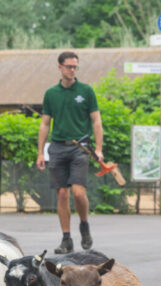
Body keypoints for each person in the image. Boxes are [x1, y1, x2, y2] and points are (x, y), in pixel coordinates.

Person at [36, 51, 103, 254]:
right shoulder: (51, 94)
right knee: (63, 194)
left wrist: (98, 149)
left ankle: (84, 224)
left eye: (75, 67)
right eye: (69, 66)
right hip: (57, 147)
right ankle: (66, 239)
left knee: (78, 192)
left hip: (80, 147)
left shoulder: (86, 91)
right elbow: (45, 123)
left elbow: (96, 120)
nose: (72, 70)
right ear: (60, 67)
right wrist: (40, 152)